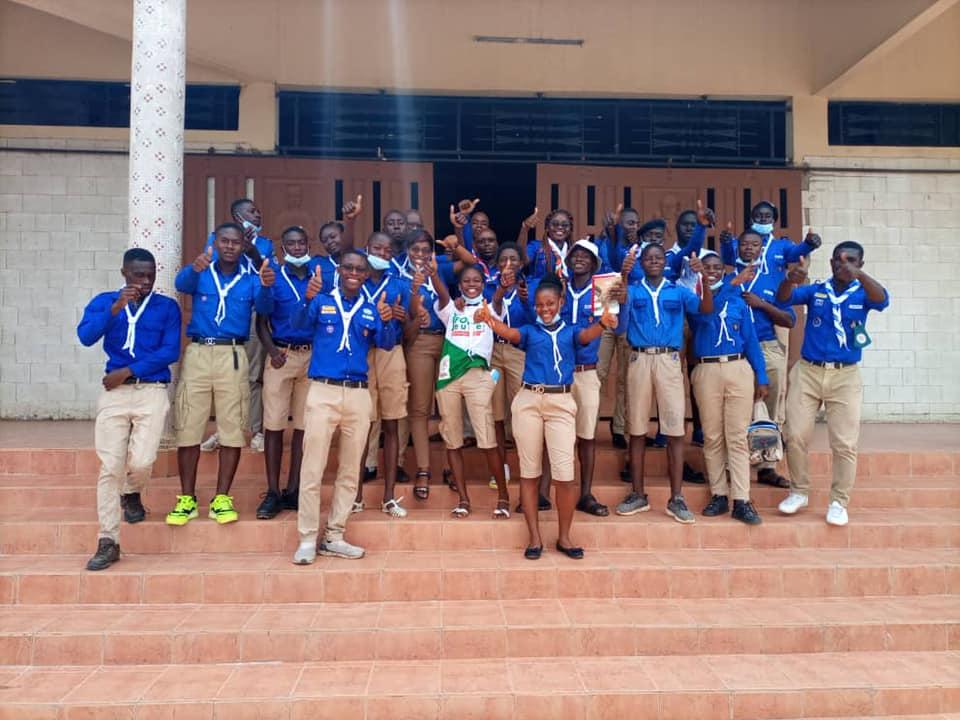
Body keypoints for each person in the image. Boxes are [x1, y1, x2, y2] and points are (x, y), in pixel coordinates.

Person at [478, 274, 617, 560]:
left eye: (550, 303)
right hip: (529, 401)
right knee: (529, 473)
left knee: (565, 476)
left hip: (561, 402)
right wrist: (490, 320)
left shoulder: (571, 330)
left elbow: (585, 337)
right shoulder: (530, 331)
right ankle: (534, 538)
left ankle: (564, 537)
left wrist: (603, 324)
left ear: (561, 302)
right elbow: (511, 334)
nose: (545, 309)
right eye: (540, 305)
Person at [290, 250, 398, 563]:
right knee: (313, 468)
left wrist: (387, 321)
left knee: (351, 469)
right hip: (323, 391)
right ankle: (307, 538)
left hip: (358, 395)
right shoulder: (322, 300)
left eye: (359, 269)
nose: (353, 273)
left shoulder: (371, 307)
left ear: (366, 274)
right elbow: (298, 327)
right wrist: (306, 299)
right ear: (339, 270)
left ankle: (334, 535)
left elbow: (386, 343)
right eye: (348, 267)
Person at [77, 248, 182, 570]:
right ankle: (108, 540)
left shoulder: (167, 307)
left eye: (151, 274)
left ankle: (132, 491)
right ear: (124, 273)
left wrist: (128, 371)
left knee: (142, 461)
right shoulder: (105, 301)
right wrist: (114, 310)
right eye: (139, 275)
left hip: (151, 390)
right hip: (115, 395)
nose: (146, 280)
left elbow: (170, 351)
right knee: (110, 467)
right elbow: (85, 336)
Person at [775, 241, 889, 526]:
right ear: (830, 263)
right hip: (808, 371)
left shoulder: (863, 292)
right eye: (838, 259)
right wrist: (790, 279)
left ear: (860, 264)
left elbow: (883, 300)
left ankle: (839, 501)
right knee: (795, 435)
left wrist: (859, 276)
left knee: (844, 443)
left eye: (851, 260)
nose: (843, 264)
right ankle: (799, 491)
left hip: (844, 375)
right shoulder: (817, 290)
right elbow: (783, 299)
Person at [169, 223, 268, 526]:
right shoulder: (201, 272)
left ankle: (222, 498)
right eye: (224, 241)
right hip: (199, 352)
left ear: (243, 246)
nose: (229, 246)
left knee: (232, 428)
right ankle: (187, 498)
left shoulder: (250, 279)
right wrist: (194, 267)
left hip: (233, 354)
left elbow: (266, 307)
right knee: (189, 426)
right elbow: (181, 284)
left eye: (235, 242)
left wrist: (267, 285)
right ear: (214, 242)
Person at [615, 243, 713, 523]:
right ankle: (637, 494)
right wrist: (623, 282)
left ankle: (677, 497)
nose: (654, 261)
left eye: (658, 258)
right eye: (648, 258)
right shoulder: (633, 290)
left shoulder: (678, 291)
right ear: (641, 263)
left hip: (669, 360)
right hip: (639, 359)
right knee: (637, 428)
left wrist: (704, 278)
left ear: (665, 263)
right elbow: (620, 327)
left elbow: (705, 310)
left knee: (674, 429)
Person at [688, 251, 769, 524]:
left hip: (737, 367)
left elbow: (751, 340)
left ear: (723, 270)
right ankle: (719, 494)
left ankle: (741, 499)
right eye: (707, 267)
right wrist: (732, 284)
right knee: (712, 436)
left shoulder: (737, 301)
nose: (712, 271)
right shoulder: (695, 297)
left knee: (737, 436)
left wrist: (761, 376)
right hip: (707, 369)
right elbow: (706, 316)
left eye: (717, 267)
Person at [428, 260, 510, 518]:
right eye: (466, 281)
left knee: (487, 438)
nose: (471, 285)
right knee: (453, 440)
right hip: (449, 378)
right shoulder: (452, 308)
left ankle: (503, 496)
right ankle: (463, 499)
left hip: (478, 375)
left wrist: (503, 287)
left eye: (476, 280)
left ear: (483, 284)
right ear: (459, 285)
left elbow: (498, 298)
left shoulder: (491, 308)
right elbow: (442, 293)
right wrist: (434, 274)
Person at [200, 198, 273, 454]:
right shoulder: (216, 239)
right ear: (237, 216)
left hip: (252, 312)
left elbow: (267, 273)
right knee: (226, 378)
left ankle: (256, 431)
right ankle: (225, 430)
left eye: (258, 211)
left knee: (253, 375)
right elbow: (211, 268)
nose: (258, 215)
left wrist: (252, 250)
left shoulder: (265, 244)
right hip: (226, 313)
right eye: (252, 211)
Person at [726, 230, 798, 489]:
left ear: (761, 249)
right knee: (736, 409)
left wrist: (762, 305)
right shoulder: (727, 278)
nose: (749, 248)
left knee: (769, 408)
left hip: (767, 346)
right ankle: (734, 465)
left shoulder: (772, 279)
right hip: (737, 351)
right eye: (744, 244)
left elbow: (789, 320)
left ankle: (767, 467)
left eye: (754, 245)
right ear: (737, 247)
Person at [253, 226, 315, 519]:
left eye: (302, 243)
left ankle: (294, 489)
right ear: (283, 248)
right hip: (281, 355)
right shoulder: (273, 278)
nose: (297, 248)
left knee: (303, 426)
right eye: (291, 243)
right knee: (274, 425)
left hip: (311, 357)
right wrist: (272, 351)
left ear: (308, 245)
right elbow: (261, 322)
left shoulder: (318, 277)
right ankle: (272, 492)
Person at [354, 231, 412, 518]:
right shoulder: (355, 280)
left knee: (391, 423)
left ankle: (388, 496)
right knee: (361, 425)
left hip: (391, 353)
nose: (382, 254)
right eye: (377, 248)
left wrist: (405, 318)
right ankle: (355, 495)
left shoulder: (400, 284)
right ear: (367, 248)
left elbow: (410, 326)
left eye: (388, 250)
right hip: (361, 354)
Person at [561, 239, 609, 516]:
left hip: (587, 371)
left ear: (594, 263)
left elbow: (619, 327)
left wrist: (622, 302)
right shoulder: (558, 287)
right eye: (575, 255)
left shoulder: (603, 290)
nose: (579, 259)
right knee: (555, 433)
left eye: (586, 256)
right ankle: (545, 492)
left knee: (587, 435)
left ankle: (586, 494)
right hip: (559, 372)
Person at [404, 230, 448, 500]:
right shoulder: (401, 278)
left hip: (447, 343)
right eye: (415, 249)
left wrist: (434, 276)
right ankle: (423, 468)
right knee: (420, 408)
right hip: (418, 342)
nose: (420, 254)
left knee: (448, 406)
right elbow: (406, 316)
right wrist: (414, 294)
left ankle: (450, 467)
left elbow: (450, 299)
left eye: (425, 250)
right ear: (407, 251)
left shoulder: (441, 270)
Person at [487, 242, 530, 494]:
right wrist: (500, 290)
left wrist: (525, 302)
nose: (508, 264)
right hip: (493, 352)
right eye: (503, 259)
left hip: (518, 353)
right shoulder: (489, 287)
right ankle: (501, 467)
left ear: (521, 263)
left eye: (513, 259)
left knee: (521, 410)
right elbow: (486, 313)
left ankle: (526, 466)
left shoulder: (529, 287)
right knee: (496, 413)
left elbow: (536, 320)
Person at [521, 208, 574, 280]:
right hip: (539, 287)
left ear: (570, 229)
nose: (560, 227)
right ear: (547, 228)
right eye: (555, 224)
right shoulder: (536, 247)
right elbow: (522, 260)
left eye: (565, 225)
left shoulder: (574, 250)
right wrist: (525, 229)